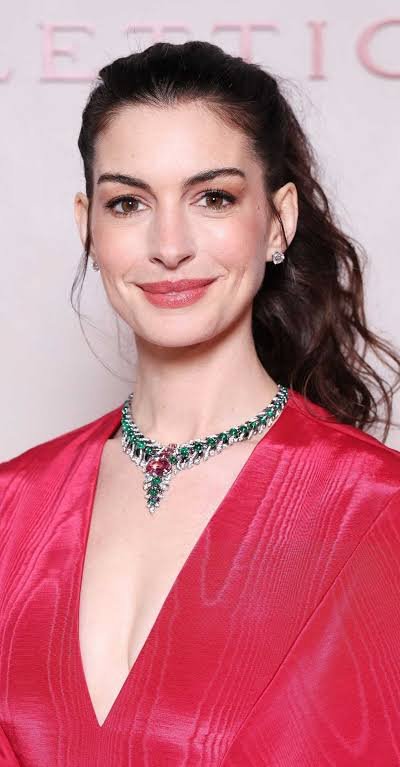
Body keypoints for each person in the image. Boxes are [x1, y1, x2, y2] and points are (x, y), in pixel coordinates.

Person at [1, 40, 400, 767]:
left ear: (278, 220)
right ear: (88, 225)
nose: (170, 245)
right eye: (128, 203)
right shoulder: (11, 505)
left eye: (213, 197)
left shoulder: (376, 509)